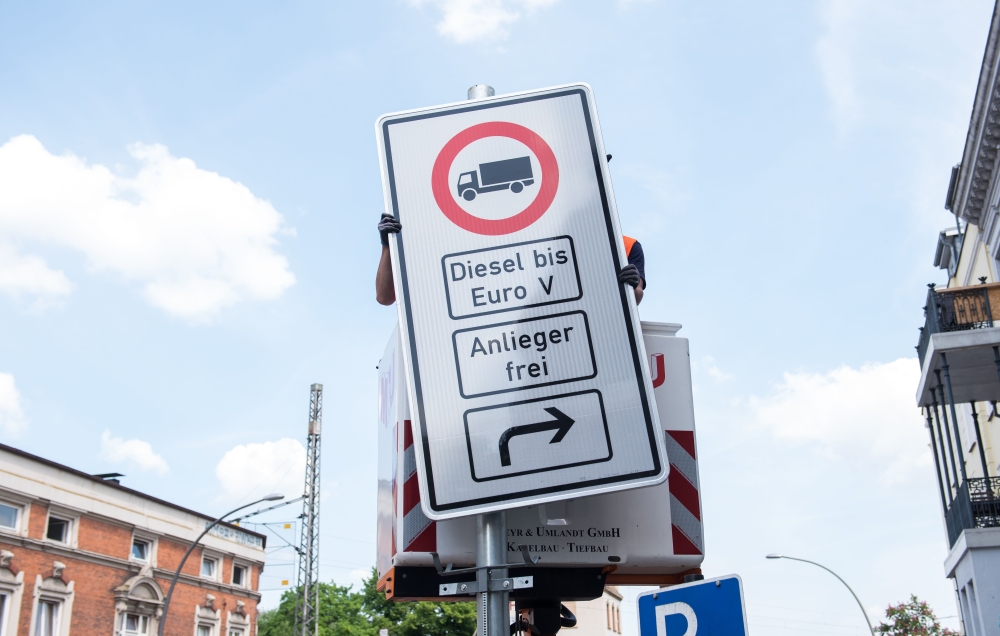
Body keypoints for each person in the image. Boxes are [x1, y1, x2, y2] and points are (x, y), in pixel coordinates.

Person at [375, 213, 645, 305]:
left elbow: (635, 296)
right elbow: (386, 296)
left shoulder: (626, 245)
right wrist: (390, 247)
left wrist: (629, 289)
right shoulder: (453, 244)